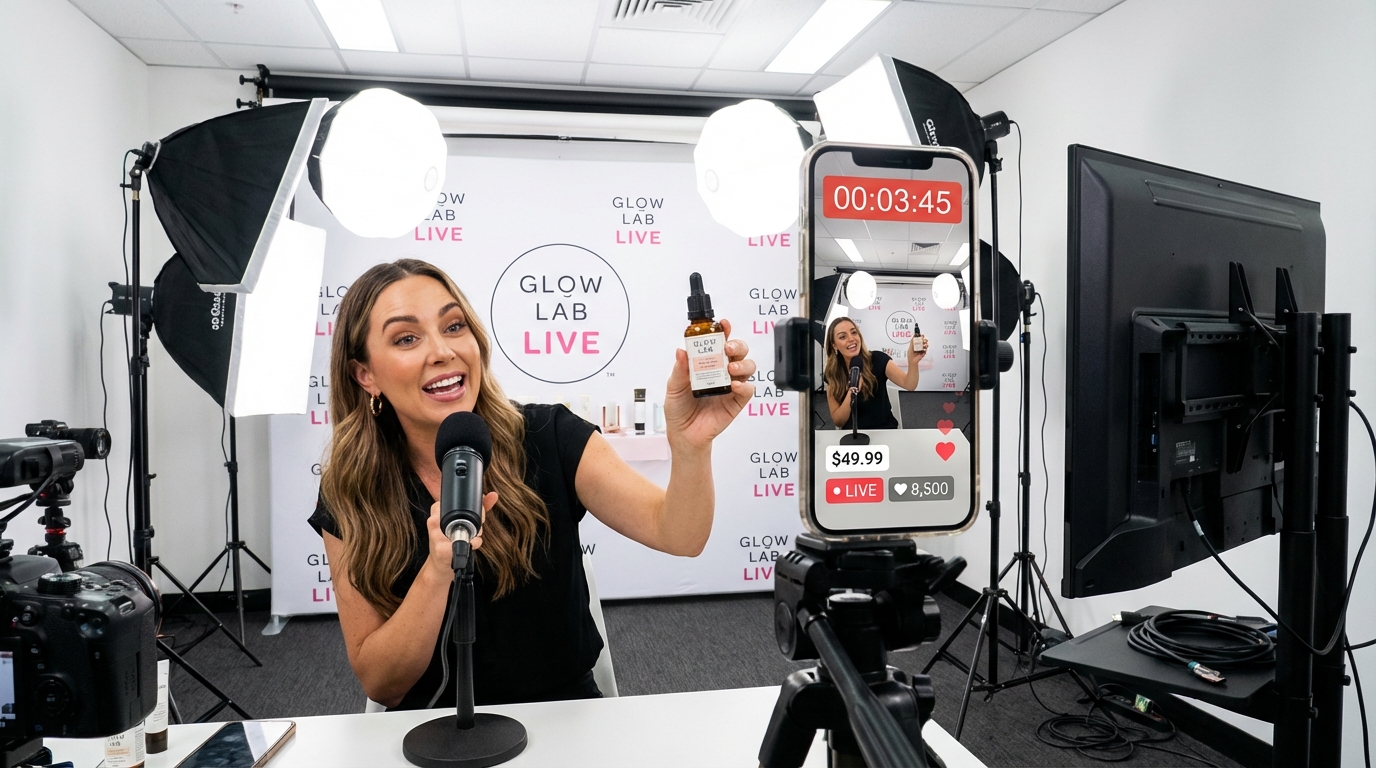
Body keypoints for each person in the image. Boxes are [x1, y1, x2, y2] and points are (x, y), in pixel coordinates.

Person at [308, 259, 755, 710]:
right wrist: (437, 570)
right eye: (407, 338)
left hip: (564, 722)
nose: (442, 351)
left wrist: (691, 445)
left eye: (454, 325)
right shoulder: (351, 492)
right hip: (428, 732)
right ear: (365, 375)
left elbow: (681, 534)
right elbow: (381, 684)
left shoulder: (551, 436)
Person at [824, 317, 928, 430]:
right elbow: (838, 421)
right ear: (834, 345)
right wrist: (852, 391)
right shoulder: (832, 374)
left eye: (854, 332)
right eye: (843, 337)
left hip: (885, 431)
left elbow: (910, 385)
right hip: (852, 435)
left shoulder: (878, 359)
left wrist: (912, 361)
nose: (851, 338)